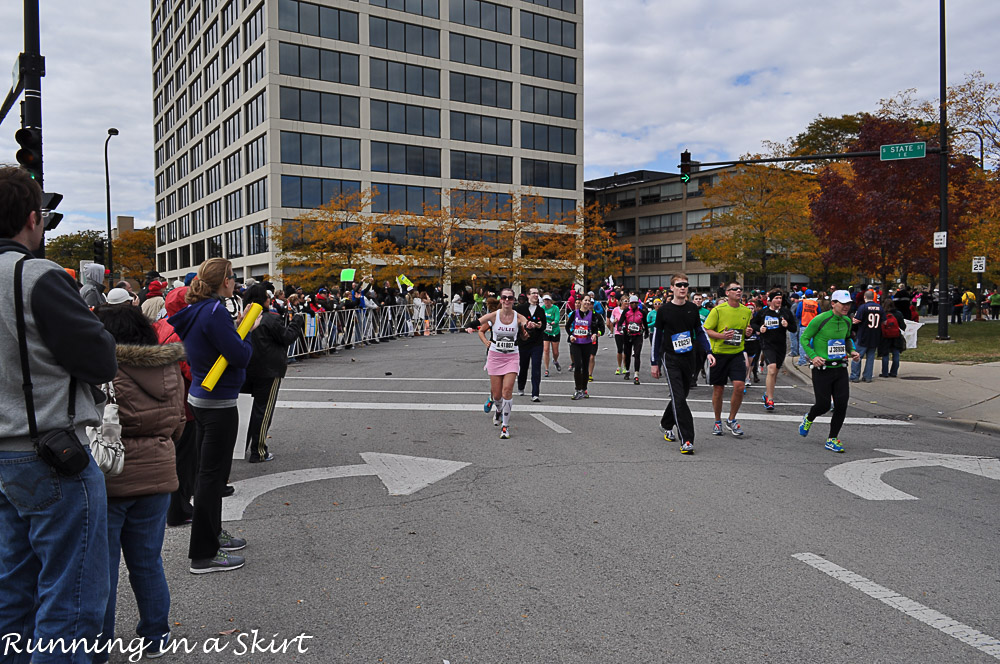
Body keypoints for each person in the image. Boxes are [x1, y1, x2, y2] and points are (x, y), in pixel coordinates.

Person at [0, 166, 119, 661]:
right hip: (50, 451)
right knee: (70, 603)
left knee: (12, 590)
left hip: (3, 455)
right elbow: (99, 358)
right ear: (33, 220)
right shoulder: (36, 276)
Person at [92, 303, 185, 660]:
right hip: (159, 475)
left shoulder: (105, 369)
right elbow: (179, 421)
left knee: (105, 568)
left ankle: (99, 643)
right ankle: (156, 634)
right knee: (148, 562)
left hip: (112, 477)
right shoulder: (169, 367)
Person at [168, 257, 257, 573]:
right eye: (232, 277)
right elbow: (239, 356)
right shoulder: (215, 311)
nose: (235, 282)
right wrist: (246, 331)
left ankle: (214, 535)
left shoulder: (195, 311)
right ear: (223, 281)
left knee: (211, 475)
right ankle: (204, 553)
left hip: (201, 398)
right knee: (211, 477)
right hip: (218, 402)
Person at [152, 286, 199, 527]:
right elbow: (190, 371)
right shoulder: (183, 333)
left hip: (166, 403)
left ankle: (175, 507)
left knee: (174, 458)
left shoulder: (162, 326)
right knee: (185, 460)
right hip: (185, 406)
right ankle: (179, 509)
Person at [650, 275, 713, 453]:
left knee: (682, 395)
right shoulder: (664, 311)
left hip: (688, 357)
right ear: (672, 288)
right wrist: (655, 362)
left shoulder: (692, 309)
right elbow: (657, 337)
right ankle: (687, 439)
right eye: (679, 285)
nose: (683, 288)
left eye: (685, 285)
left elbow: (700, 332)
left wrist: (709, 352)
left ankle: (665, 423)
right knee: (678, 397)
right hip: (670, 358)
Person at [242, 284, 304, 462]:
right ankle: (258, 450)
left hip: (246, 367)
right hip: (268, 369)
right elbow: (287, 338)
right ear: (265, 300)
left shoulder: (242, 318)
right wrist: (297, 321)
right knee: (263, 410)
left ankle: (239, 447)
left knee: (246, 410)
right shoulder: (270, 318)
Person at [798, 290, 861, 453]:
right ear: (833, 304)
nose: (846, 307)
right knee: (823, 405)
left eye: (848, 304)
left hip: (840, 368)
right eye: (843, 303)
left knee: (842, 404)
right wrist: (813, 356)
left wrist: (852, 351)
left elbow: (847, 339)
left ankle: (832, 438)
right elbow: (804, 339)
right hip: (822, 369)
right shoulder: (820, 319)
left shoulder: (847, 321)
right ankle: (809, 418)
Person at [478, 287, 540, 439]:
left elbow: (525, 333)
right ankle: (498, 409)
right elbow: (480, 327)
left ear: (514, 300)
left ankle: (505, 426)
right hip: (495, 356)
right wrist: (484, 339)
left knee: (507, 391)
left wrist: (527, 332)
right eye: (504, 298)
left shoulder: (518, 317)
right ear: (501, 300)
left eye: (510, 298)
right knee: (497, 394)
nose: (507, 300)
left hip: (511, 356)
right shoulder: (494, 316)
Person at [702, 281, 753, 437]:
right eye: (734, 289)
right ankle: (717, 421)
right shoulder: (718, 310)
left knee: (739, 386)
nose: (738, 291)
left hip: (737, 353)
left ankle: (731, 419)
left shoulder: (746, 311)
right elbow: (707, 329)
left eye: (740, 289)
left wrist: (748, 332)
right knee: (719, 389)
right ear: (727, 293)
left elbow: (745, 330)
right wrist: (721, 336)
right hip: (719, 354)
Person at [751, 290, 797, 411]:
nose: (779, 300)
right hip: (767, 344)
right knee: (771, 369)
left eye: (780, 298)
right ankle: (770, 399)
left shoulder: (786, 312)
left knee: (774, 373)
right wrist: (760, 328)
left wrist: (787, 325)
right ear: (770, 300)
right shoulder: (763, 312)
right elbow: (753, 323)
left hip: (780, 346)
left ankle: (767, 394)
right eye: (776, 298)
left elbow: (794, 328)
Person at [565, 295, 605, 399]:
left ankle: (584, 389)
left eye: (589, 301)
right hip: (576, 343)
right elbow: (567, 326)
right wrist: (571, 335)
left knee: (585, 366)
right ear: (581, 302)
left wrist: (595, 334)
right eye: (585, 300)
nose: (587, 302)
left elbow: (596, 329)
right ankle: (577, 389)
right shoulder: (575, 313)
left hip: (587, 343)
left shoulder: (593, 315)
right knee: (578, 365)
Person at [515, 287, 547, 402]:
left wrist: (538, 326)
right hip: (523, 342)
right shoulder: (520, 308)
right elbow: (516, 323)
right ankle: (521, 386)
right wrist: (525, 326)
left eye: (537, 293)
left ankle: (535, 393)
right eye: (533, 293)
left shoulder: (541, 310)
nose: (535, 295)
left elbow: (544, 325)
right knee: (523, 366)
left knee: (536, 367)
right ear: (528, 295)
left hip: (537, 342)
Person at [850, 290, 882, 383]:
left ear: (864, 297)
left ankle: (854, 376)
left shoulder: (862, 307)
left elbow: (856, 321)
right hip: (875, 335)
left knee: (857, 356)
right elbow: (884, 321)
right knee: (870, 357)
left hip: (863, 335)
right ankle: (868, 377)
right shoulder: (879, 307)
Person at [620, 295, 648, 384]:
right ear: (630, 304)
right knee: (627, 354)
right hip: (627, 335)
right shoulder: (626, 312)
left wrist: (646, 332)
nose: (634, 305)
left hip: (638, 336)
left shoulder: (642, 312)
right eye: (632, 303)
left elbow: (645, 324)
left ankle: (636, 374)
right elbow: (620, 322)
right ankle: (627, 371)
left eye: (635, 303)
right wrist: (621, 328)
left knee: (637, 354)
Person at [877, 299, 907, 378]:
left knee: (885, 355)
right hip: (896, 336)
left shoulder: (881, 314)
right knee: (896, 354)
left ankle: (885, 373)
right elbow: (903, 326)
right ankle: (894, 372)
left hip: (884, 337)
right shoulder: (898, 314)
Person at [796, 289, 820, 366]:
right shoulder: (816, 303)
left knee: (803, 343)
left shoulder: (802, 303)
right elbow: (819, 314)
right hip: (814, 326)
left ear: (805, 295)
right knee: (813, 344)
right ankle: (812, 359)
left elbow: (798, 314)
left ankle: (802, 361)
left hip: (804, 325)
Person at [541, 293, 562, 377]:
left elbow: (557, 319)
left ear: (550, 300)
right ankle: (546, 369)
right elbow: (540, 317)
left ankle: (555, 361)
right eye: (545, 300)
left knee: (555, 352)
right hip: (546, 331)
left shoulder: (555, 308)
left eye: (547, 300)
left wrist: (553, 322)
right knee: (546, 350)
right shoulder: (542, 308)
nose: (546, 302)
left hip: (554, 331)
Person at [610, 296, 627, 375]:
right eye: (625, 301)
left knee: (626, 350)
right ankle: (619, 366)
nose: (627, 303)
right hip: (618, 331)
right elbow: (611, 318)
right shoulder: (616, 310)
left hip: (627, 331)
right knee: (619, 349)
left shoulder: (629, 310)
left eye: (628, 301)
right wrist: (614, 321)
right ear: (621, 302)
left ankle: (625, 366)